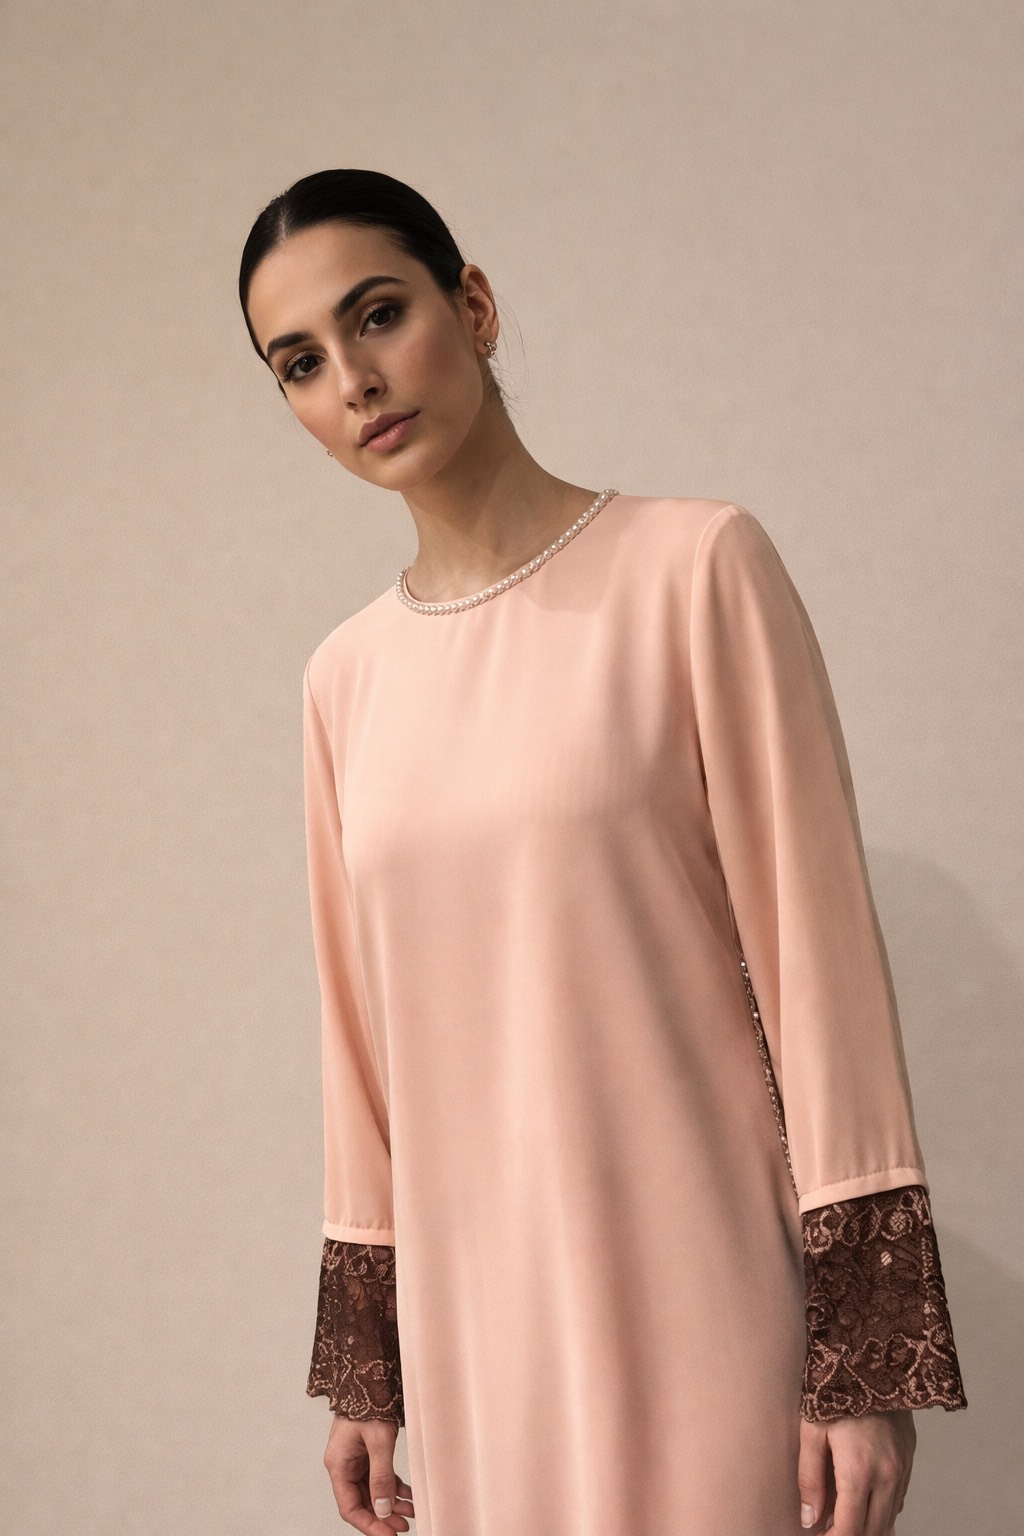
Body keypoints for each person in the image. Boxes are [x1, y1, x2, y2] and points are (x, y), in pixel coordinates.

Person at [238, 169, 967, 1536]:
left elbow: (819, 967)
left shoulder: (695, 570)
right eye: (301, 363)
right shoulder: (344, 681)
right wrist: (366, 1364)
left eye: (378, 314)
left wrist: (867, 1352)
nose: (354, 379)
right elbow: (360, 1045)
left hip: (706, 1288)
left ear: (473, 304)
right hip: (477, 1320)